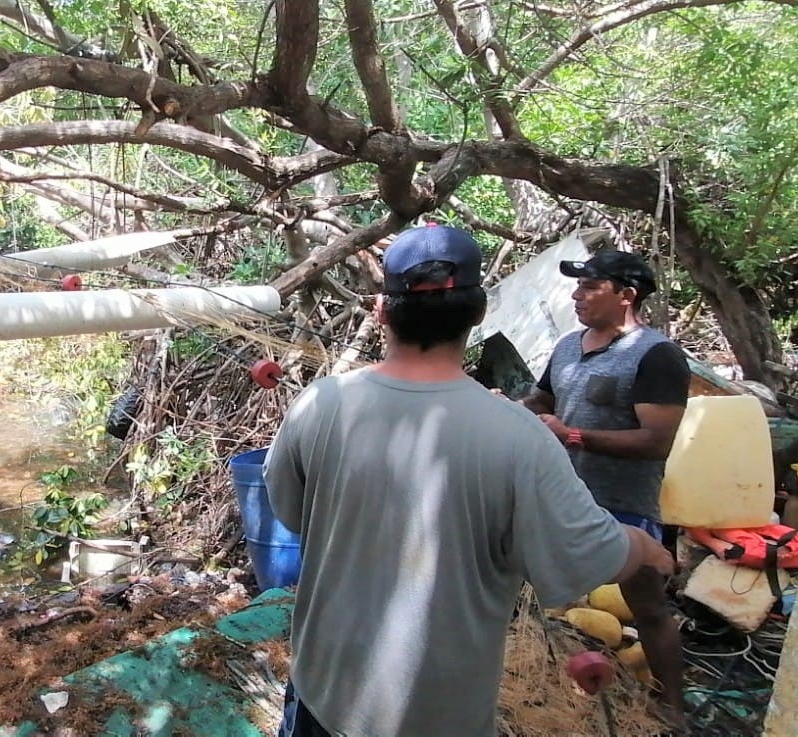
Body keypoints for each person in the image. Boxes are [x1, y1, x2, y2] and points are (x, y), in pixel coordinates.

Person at [264, 225, 677, 737]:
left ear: (380, 310)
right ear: (479, 314)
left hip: (321, 695)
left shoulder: (318, 404)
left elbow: (288, 510)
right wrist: (641, 544)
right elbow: (585, 555)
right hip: (436, 715)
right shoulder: (521, 440)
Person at [518, 249, 691, 723]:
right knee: (531, 593)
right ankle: (535, 680)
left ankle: (672, 709)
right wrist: (508, 409)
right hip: (563, 496)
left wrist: (572, 435)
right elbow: (542, 400)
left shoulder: (656, 356)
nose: (577, 295)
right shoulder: (569, 347)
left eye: (591, 287)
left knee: (648, 605)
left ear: (626, 295)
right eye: (578, 286)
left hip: (623, 501)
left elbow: (657, 442)